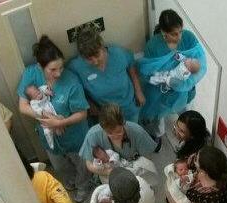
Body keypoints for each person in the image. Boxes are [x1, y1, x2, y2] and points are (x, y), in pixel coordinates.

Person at [17, 35, 91, 202]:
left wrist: (60, 122)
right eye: (52, 70)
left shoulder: (71, 82)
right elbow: (22, 107)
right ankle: (71, 182)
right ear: (39, 66)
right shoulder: (31, 74)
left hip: (75, 136)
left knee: (81, 165)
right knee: (59, 165)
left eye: (61, 68)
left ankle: (83, 185)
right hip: (49, 136)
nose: (58, 73)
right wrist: (46, 117)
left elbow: (82, 113)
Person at [138, 9, 207, 140]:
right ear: (164, 33)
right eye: (174, 34)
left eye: (180, 31)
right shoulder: (153, 46)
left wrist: (188, 76)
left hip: (185, 89)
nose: (179, 37)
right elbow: (148, 73)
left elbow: (200, 62)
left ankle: (187, 136)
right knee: (159, 116)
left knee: (186, 114)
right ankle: (158, 135)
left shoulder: (189, 38)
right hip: (161, 92)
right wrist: (167, 79)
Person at [67, 26, 145, 124]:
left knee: (132, 135)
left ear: (102, 47)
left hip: (129, 107)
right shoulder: (76, 66)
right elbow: (73, 85)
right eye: (89, 59)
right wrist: (89, 103)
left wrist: (138, 91)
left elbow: (131, 65)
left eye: (97, 55)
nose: (95, 61)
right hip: (105, 115)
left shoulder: (118, 53)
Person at [79, 103, 156, 179]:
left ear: (123, 123)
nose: (115, 136)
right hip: (109, 175)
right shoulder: (93, 135)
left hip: (135, 173)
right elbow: (89, 164)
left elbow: (147, 158)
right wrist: (109, 172)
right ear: (102, 128)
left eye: (119, 131)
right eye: (110, 133)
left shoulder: (137, 132)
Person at [25, 84, 56, 149]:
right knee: (47, 132)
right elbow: (38, 110)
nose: (38, 95)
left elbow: (44, 88)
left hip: (50, 107)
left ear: (38, 89)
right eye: (35, 96)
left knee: (57, 119)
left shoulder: (41, 89)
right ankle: (51, 144)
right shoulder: (33, 103)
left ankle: (57, 128)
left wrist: (48, 92)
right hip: (44, 115)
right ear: (32, 99)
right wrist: (44, 114)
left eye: (38, 92)